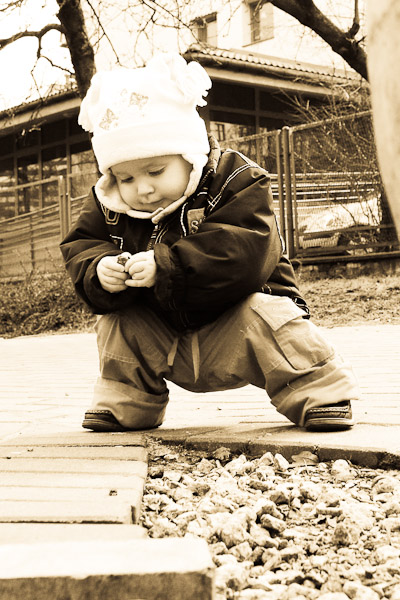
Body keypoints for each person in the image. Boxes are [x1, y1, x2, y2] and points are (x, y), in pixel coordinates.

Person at [60, 52, 359, 433]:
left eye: (155, 171)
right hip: (165, 334)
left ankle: (318, 389)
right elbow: (83, 243)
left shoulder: (235, 180)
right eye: (125, 178)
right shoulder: (108, 203)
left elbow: (246, 248)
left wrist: (167, 265)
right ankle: (128, 399)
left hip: (236, 330)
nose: (143, 189)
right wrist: (97, 270)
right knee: (118, 322)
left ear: (189, 153)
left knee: (265, 313)